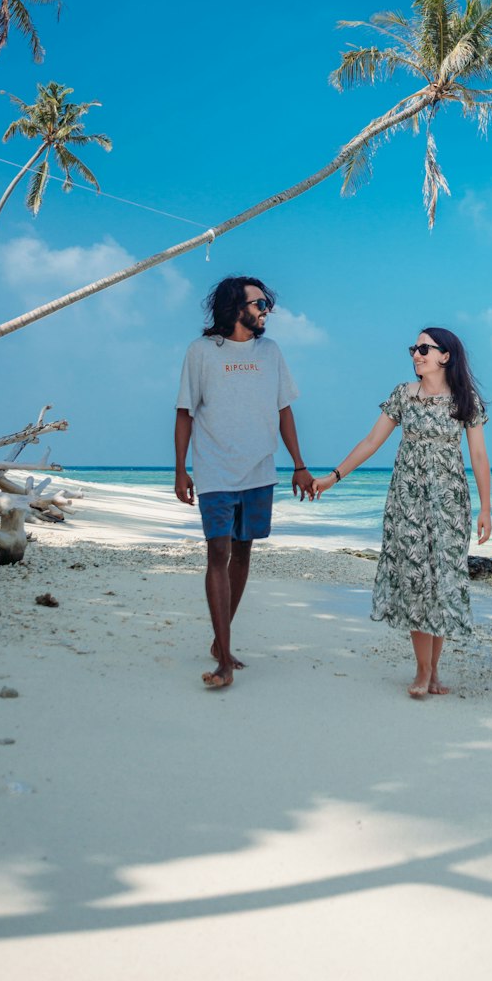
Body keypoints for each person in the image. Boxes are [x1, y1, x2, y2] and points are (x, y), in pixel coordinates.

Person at [314, 327, 491, 698]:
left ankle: (435, 671)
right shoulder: (403, 395)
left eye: (424, 348)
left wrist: (486, 508)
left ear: (446, 355)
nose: (416, 354)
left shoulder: (465, 400)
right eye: (414, 348)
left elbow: (478, 456)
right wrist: (334, 477)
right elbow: (372, 441)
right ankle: (423, 671)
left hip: (449, 502)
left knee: (442, 580)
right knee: (414, 580)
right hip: (407, 499)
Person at [174, 276, 315, 689]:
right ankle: (224, 659)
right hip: (215, 469)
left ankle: (221, 643)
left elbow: (284, 411)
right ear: (236, 307)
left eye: (267, 302)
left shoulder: (270, 352)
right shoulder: (201, 352)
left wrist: (300, 465)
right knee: (217, 553)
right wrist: (181, 469)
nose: (266, 310)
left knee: (243, 553)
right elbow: (185, 412)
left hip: (259, 471)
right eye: (260, 303)